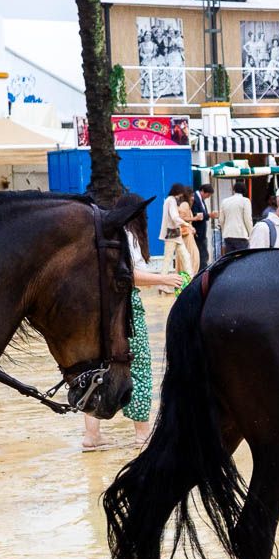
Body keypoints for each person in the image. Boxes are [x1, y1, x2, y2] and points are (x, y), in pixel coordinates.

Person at [83, 193, 181, 451]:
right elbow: (129, 276)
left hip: (101, 309)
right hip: (126, 308)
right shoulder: (128, 237)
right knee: (139, 367)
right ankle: (142, 435)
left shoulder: (106, 237)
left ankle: (91, 436)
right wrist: (164, 279)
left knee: (99, 369)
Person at [219, 182, 253, 254]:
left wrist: (224, 230)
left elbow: (221, 220)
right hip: (241, 235)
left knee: (230, 258)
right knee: (242, 258)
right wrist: (251, 233)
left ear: (233, 189)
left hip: (228, 235)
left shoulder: (224, 201)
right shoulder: (245, 201)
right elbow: (247, 219)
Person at [192, 183, 214, 268]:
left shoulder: (200, 199)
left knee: (203, 252)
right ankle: (202, 270)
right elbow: (195, 214)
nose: (208, 197)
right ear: (202, 191)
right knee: (201, 253)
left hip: (202, 231)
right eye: (208, 195)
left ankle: (203, 268)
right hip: (198, 231)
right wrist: (208, 215)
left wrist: (208, 215)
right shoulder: (195, 199)